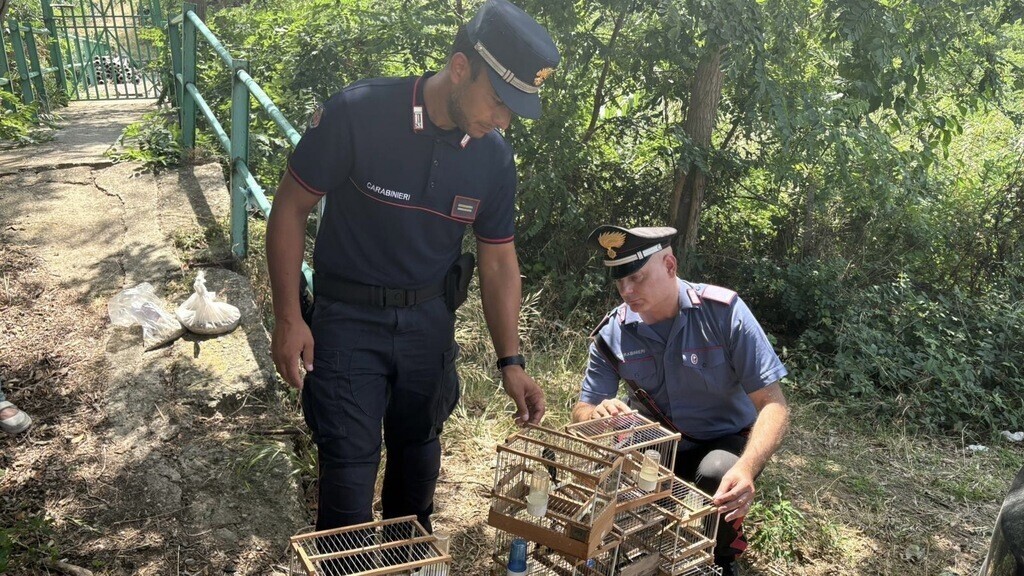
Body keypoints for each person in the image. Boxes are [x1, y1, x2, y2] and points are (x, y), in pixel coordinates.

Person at [266, 0, 559, 532]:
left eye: (513, 110)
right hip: (348, 320)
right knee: (347, 491)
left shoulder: (493, 158)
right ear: (460, 68)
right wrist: (288, 317)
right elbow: (289, 208)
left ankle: (406, 560)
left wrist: (510, 360)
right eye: (499, 100)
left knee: (417, 480)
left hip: (429, 325)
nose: (503, 120)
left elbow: (498, 261)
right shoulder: (360, 112)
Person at [571, 225, 790, 576]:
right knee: (612, 478)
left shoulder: (723, 313)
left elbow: (773, 404)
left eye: (637, 277)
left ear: (670, 265)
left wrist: (746, 468)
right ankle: (639, 544)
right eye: (620, 281)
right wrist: (596, 413)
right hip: (654, 445)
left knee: (718, 473)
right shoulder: (612, 335)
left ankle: (721, 555)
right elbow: (583, 410)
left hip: (722, 440)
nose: (626, 291)